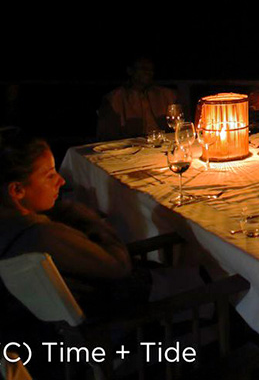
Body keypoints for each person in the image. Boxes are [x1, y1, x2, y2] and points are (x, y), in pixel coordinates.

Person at [0, 131, 136, 311]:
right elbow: (119, 266)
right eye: (49, 176)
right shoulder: (41, 235)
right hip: (123, 308)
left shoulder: (10, 227)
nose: (61, 181)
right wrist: (76, 212)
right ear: (17, 190)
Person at [97, 57, 178, 139]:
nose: (148, 72)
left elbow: (181, 124)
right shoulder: (114, 99)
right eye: (143, 68)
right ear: (130, 71)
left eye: (151, 69)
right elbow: (107, 136)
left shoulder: (167, 95)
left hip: (164, 144)